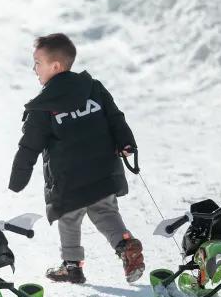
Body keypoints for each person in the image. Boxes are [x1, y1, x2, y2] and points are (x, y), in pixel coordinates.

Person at [8, 33, 145, 283]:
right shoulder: (94, 88)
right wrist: (126, 143)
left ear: (55, 66)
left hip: (68, 180)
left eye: (37, 62)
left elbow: (29, 146)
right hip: (103, 172)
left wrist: (17, 179)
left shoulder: (43, 106)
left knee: (69, 219)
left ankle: (72, 266)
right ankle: (125, 246)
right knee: (106, 213)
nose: (34, 69)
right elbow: (116, 118)